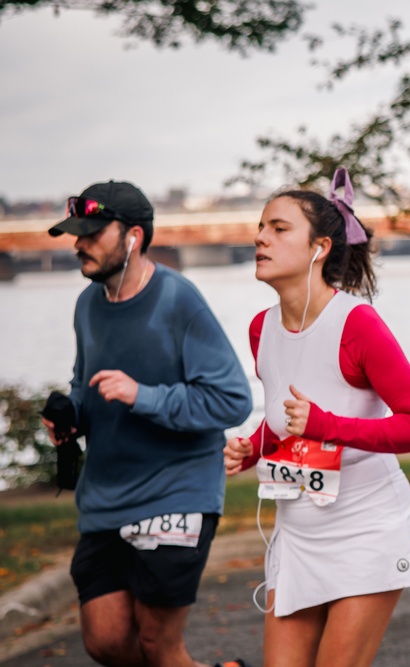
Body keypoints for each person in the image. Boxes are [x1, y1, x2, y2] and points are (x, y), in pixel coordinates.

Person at [222, 168, 410, 667]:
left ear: (319, 247)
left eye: (279, 229)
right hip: (296, 531)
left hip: (365, 527)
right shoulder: (261, 328)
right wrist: (250, 448)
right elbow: (285, 419)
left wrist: (327, 426)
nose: (260, 237)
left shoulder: (356, 324)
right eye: (261, 227)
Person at [43, 180, 254, 667]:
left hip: (176, 492)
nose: (79, 244)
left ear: (133, 235)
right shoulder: (87, 305)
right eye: (77, 234)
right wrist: (70, 417)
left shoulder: (180, 301)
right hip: (106, 498)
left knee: (159, 644)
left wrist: (144, 396)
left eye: (92, 233)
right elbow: (86, 383)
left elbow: (231, 401)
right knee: (106, 642)